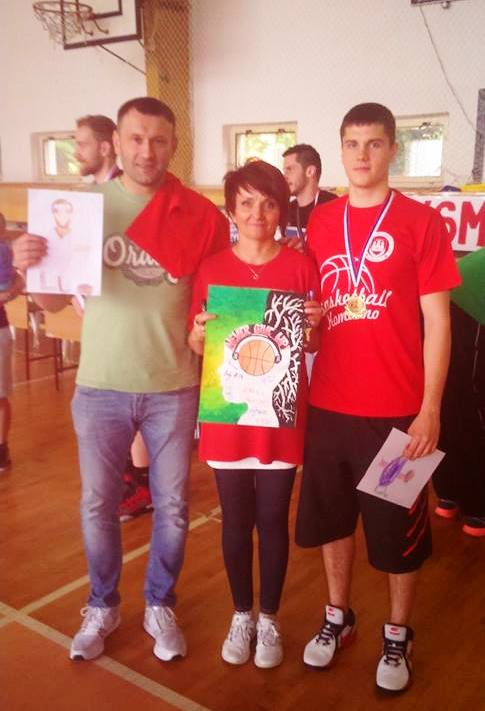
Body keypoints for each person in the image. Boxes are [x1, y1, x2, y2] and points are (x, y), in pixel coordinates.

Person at [12, 96, 229, 663]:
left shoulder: (199, 215)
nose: (146, 151)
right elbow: (51, 301)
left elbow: (223, 293)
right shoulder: (82, 208)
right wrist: (31, 263)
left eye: (158, 140)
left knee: (173, 507)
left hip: (174, 385)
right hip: (101, 384)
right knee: (96, 505)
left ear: (173, 146)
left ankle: (160, 603)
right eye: (136, 138)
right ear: (117, 143)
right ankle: (102, 604)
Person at [295, 103, 460, 694]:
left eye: (373, 143)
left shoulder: (422, 222)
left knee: (399, 539)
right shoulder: (319, 222)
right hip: (329, 408)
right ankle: (338, 616)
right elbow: (314, 316)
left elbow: (438, 323)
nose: (362, 155)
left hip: (398, 414)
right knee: (333, 522)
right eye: (352, 143)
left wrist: (431, 408)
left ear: (392, 149)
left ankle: (397, 633)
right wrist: (308, 327)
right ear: (340, 150)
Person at [188, 161, 321, 669]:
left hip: (279, 414)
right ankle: (241, 613)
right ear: (231, 210)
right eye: (246, 203)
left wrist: (315, 326)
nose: (257, 213)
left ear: (282, 209)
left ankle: (269, 618)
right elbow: (197, 342)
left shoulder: (301, 268)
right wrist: (198, 334)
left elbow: (314, 344)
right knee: (236, 520)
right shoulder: (211, 269)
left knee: (272, 519)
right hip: (229, 412)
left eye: (268, 203)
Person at [75, 112, 150, 521]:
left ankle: (140, 485)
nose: (76, 152)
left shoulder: (134, 200)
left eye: (82, 143)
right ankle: (134, 484)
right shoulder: (87, 200)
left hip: (139, 336)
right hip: (101, 336)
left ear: (106, 147)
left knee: (134, 413)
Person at [433, 247, 485, 536]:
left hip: (443, 303)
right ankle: (477, 508)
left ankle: (448, 496)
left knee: (449, 402)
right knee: (472, 407)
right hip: (465, 308)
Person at [0, 213, 24, 471]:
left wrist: (10, 291)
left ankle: (1, 449)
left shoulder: (4, 252)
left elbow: (14, 284)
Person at [282, 144, 337, 241]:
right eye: (284, 171)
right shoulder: (287, 210)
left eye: (289, 169)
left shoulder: (334, 206)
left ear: (310, 171)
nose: (284, 176)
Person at [74, 115, 122, 183]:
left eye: (82, 145)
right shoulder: (93, 188)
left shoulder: (129, 187)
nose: (75, 155)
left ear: (104, 149)